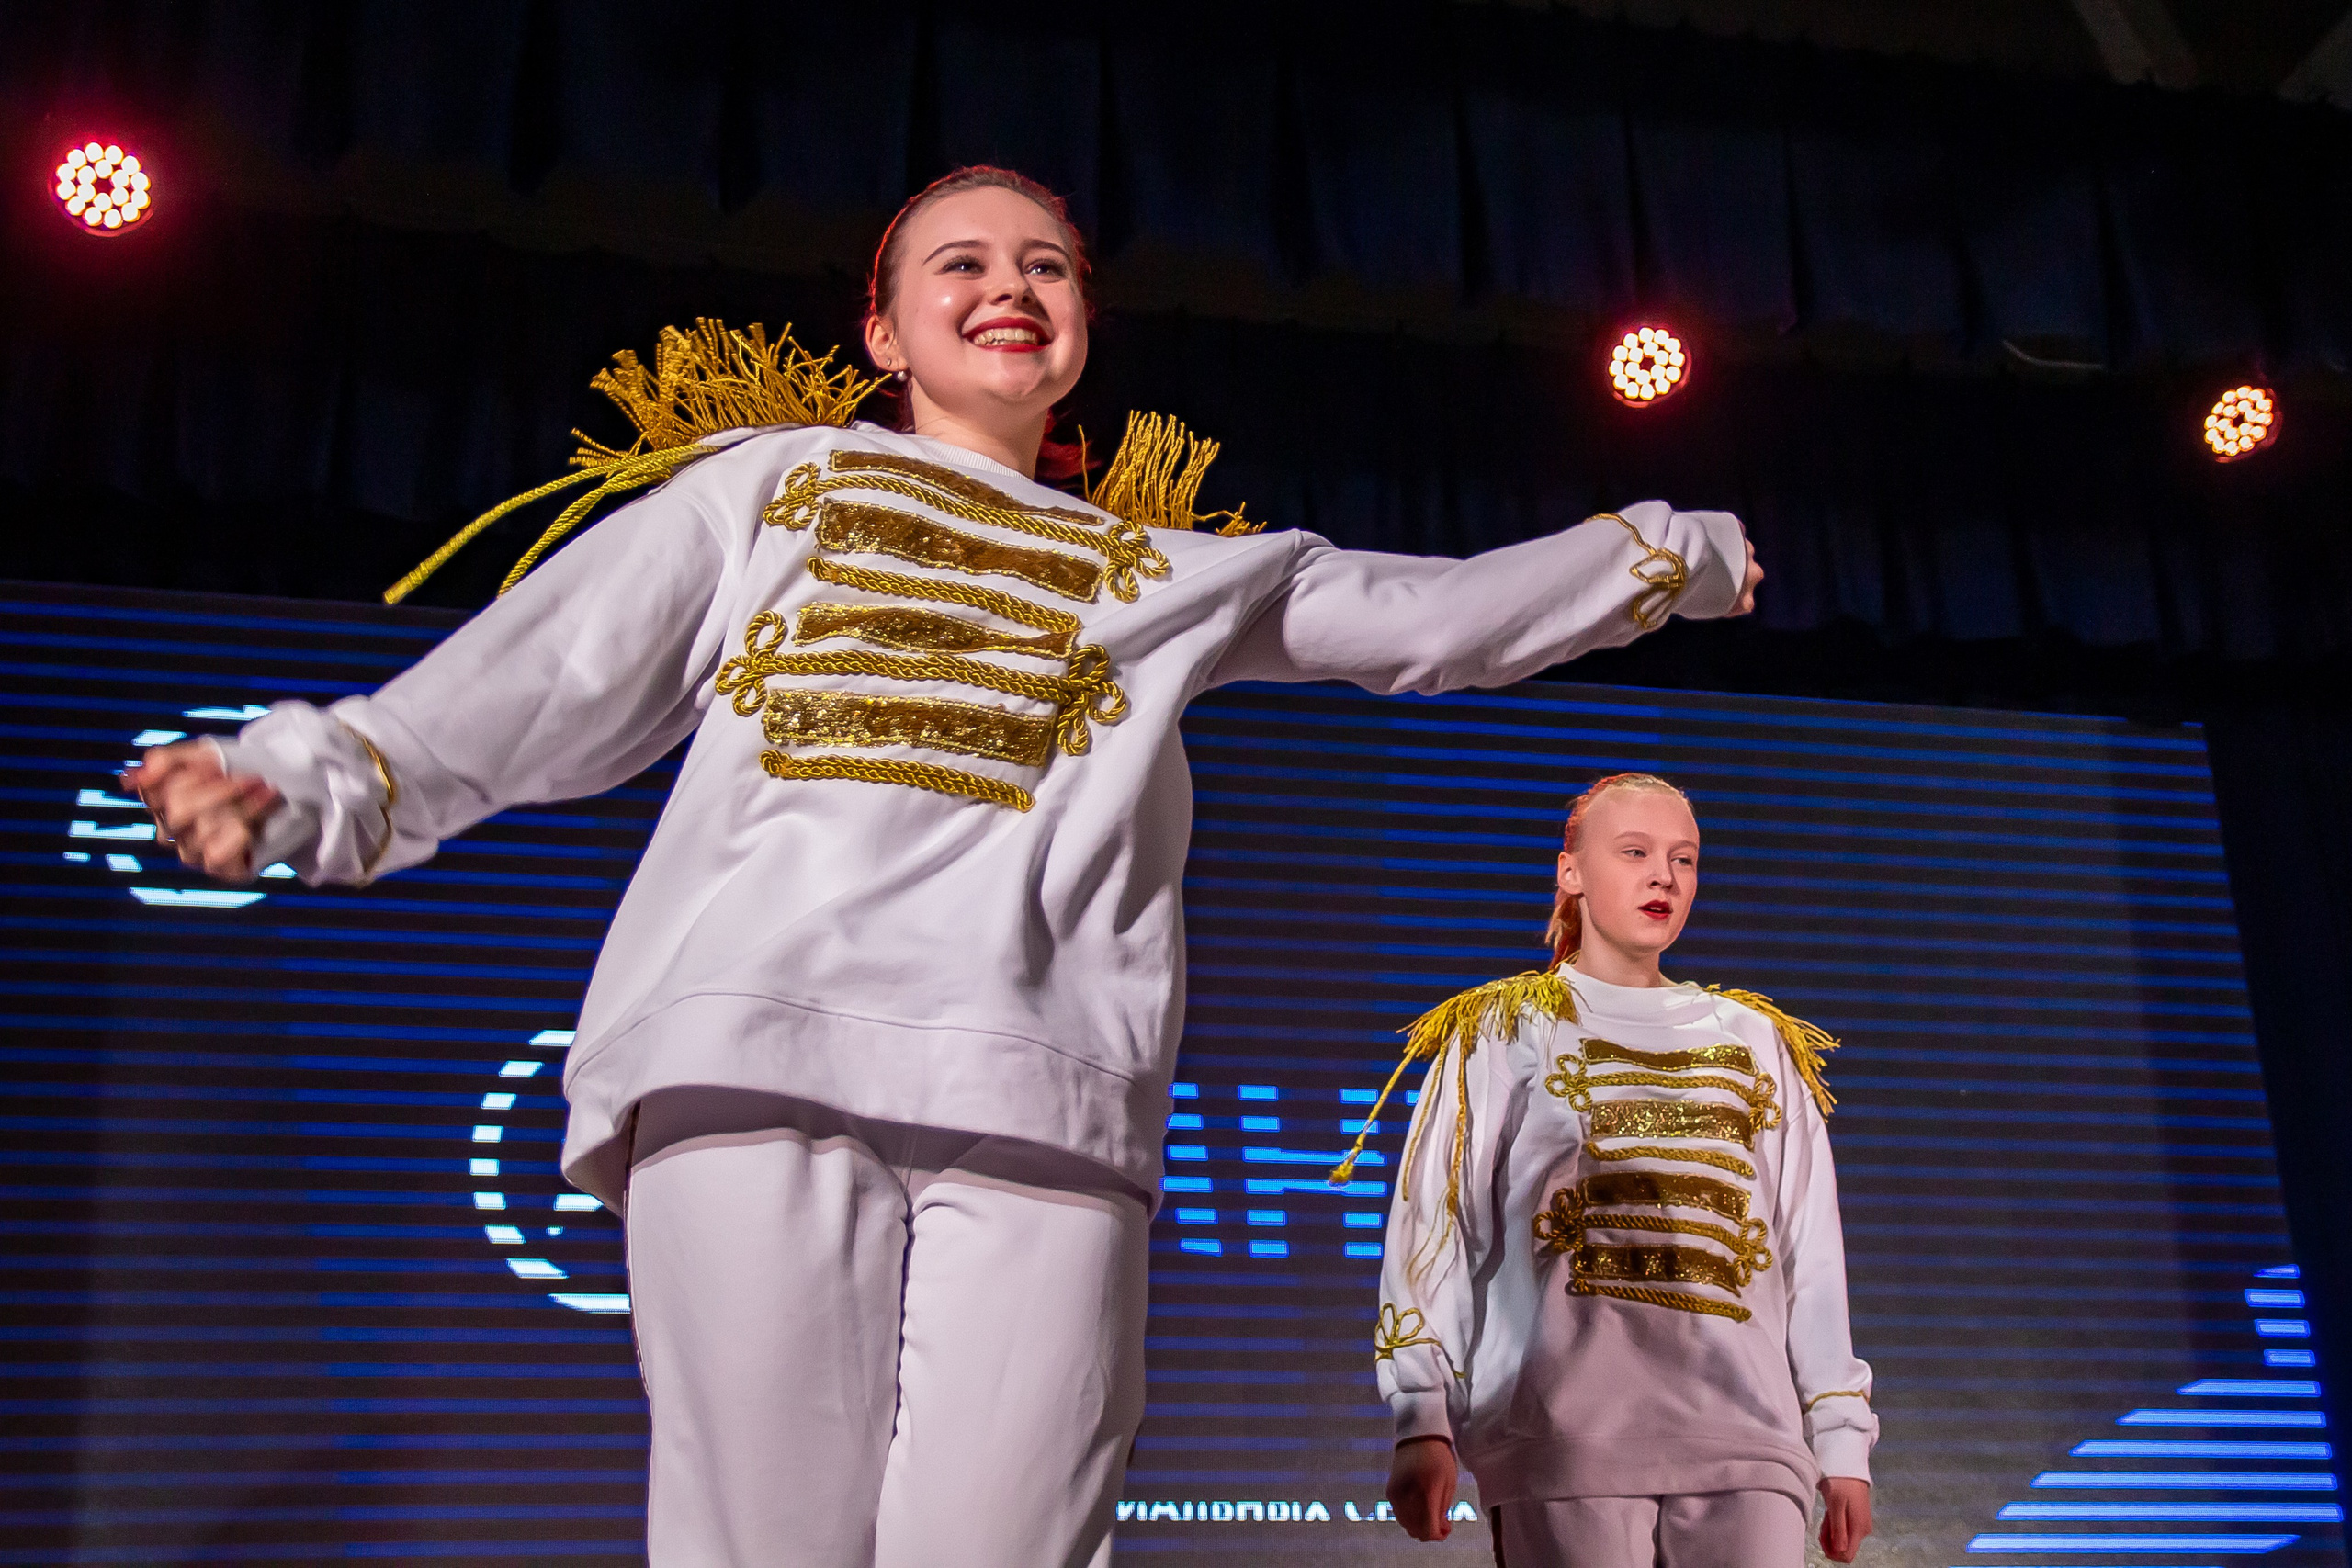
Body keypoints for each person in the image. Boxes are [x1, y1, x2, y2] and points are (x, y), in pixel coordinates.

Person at [125, 166, 1765, 1568]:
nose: (1009, 288)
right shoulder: (778, 486)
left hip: (1044, 1099)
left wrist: (1665, 553)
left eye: (1047, 266)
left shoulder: (1172, 570)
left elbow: (1433, 618)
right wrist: (313, 775)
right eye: (961, 264)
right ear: (884, 329)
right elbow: (552, 673)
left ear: (1082, 334)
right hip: (753, 1049)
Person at [1363, 773, 1874, 1567]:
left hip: (1748, 1438)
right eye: (1634, 852)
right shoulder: (1502, 1026)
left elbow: (1809, 1250)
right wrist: (1421, 1416)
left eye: (1684, 858)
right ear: (1571, 871)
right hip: (1566, 1438)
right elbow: (1436, 1226)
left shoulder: (1755, 1037)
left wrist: (1841, 1438)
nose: (1664, 876)